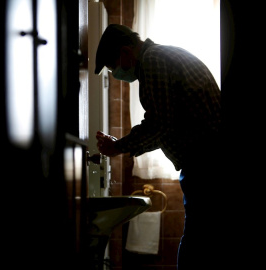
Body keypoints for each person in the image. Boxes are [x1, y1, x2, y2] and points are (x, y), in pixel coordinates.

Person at [93, 24, 224, 269]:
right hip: (208, 160)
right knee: (204, 239)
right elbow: (164, 122)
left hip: (206, 162)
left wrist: (118, 147)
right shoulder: (161, 56)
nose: (117, 74)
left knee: (197, 242)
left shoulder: (153, 60)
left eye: (113, 68)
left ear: (125, 52)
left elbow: (159, 125)